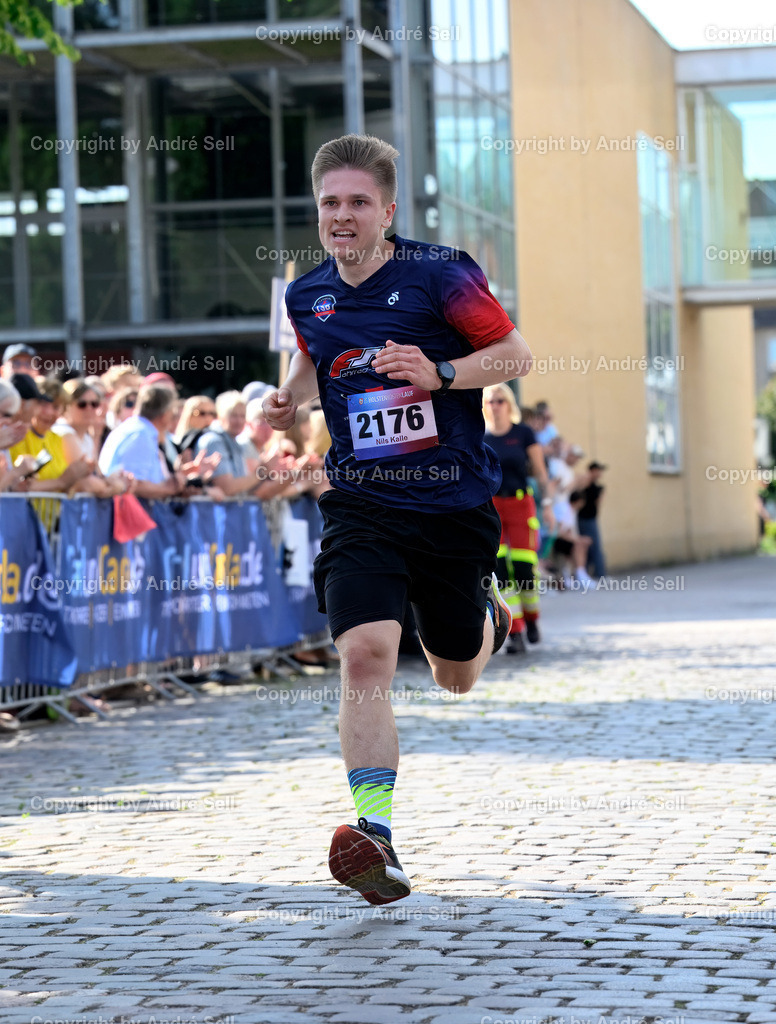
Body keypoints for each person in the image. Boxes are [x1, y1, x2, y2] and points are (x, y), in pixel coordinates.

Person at [263, 134, 532, 905]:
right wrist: (290, 401)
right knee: (366, 654)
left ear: (388, 211)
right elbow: (312, 359)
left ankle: (488, 618)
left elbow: (514, 355)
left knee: (454, 674)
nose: (341, 216)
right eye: (329, 203)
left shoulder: (442, 274)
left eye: (358, 202)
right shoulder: (306, 293)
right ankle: (375, 832)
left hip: (452, 504)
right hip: (363, 504)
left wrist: (440, 371)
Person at [483, 383, 555, 652]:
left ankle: (532, 618)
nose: (495, 406)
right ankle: (515, 633)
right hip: (492, 508)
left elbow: (541, 472)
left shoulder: (523, 433)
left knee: (525, 568)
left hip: (521, 504)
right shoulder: (480, 436)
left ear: (509, 404)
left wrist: (547, 505)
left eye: (500, 400)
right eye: (490, 401)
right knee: (501, 572)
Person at [98, 384, 187, 499]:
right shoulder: (141, 435)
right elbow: (134, 484)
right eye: (173, 411)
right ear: (164, 414)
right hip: (129, 506)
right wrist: (169, 488)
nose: (174, 416)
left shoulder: (139, 430)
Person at [578, 461, 607, 578]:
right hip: (585, 519)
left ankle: (595, 573)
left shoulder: (597, 487)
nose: (600, 474)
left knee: (591, 547)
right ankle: (599, 574)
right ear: (593, 470)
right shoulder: (585, 483)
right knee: (591, 547)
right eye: (598, 470)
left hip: (590, 518)